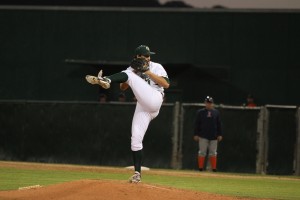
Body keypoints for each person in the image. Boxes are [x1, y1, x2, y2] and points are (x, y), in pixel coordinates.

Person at [85, 45, 170, 183]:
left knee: (130, 75)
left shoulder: (156, 66)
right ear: (137, 57)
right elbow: (123, 87)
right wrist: (134, 74)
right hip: (143, 105)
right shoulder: (132, 69)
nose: (148, 58)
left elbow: (166, 84)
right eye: (145, 56)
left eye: (149, 56)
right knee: (135, 138)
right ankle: (137, 174)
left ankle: (106, 79)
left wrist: (147, 71)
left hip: (155, 99)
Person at [193, 96, 223, 172]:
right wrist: (196, 134)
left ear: (212, 104)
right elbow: (197, 124)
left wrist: (220, 134)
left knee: (213, 153)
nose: (208, 104)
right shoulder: (200, 112)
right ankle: (200, 168)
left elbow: (219, 124)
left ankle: (214, 169)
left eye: (210, 103)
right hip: (203, 135)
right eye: (207, 103)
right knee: (202, 152)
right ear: (205, 103)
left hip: (214, 136)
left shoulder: (216, 112)